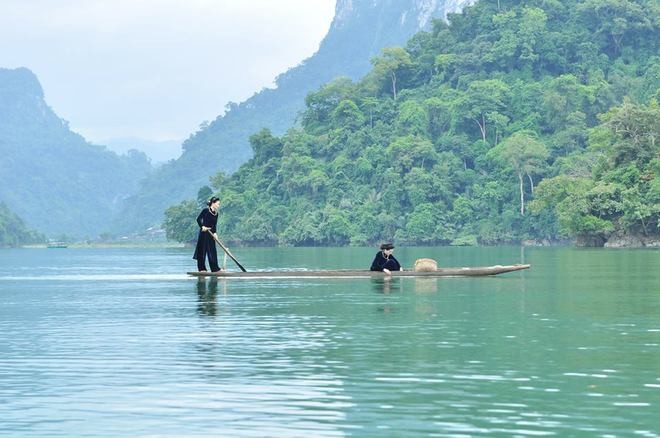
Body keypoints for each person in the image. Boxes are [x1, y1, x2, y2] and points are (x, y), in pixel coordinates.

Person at [193, 197, 221, 272]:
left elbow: (214, 225)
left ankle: (215, 268)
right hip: (204, 233)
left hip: (211, 234)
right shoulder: (205, 211)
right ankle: (202, 269)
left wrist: (215, 233)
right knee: (202, 250)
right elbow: (198, 219)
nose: (219, 205)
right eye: (218, 204)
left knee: (212, 251)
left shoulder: (216, 213)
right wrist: (202, 226)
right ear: (213, 203)